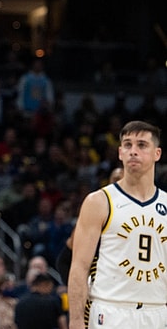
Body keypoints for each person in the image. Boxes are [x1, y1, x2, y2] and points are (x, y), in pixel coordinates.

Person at [68, 120, 166, 329]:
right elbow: (79, 267)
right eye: (128, 145)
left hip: (158, 310)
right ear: (120, 153)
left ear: (157, 154)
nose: (133, 151)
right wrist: (76, 321)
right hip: (111, 310)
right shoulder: (99, 201)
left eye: (141, 145)